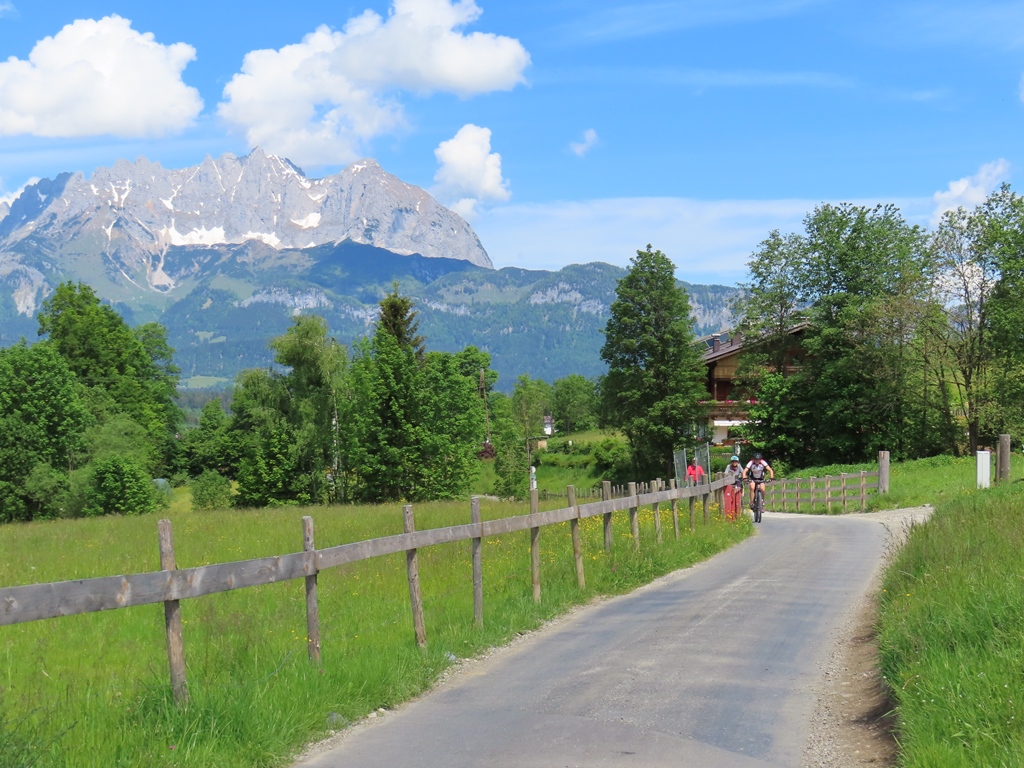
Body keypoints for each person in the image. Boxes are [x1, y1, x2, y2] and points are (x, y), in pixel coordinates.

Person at [723, 455, 744, 520]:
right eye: (733, 462)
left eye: (736, 462)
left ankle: (740, 500)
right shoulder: (728, 466)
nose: (734, 463)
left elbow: (743, 473)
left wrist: (743, 477)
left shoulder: (739, 466)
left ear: (738, 462)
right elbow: (725, 474)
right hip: (730, 482)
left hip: (737, 481)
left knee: (739, 488)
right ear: (731, 462)